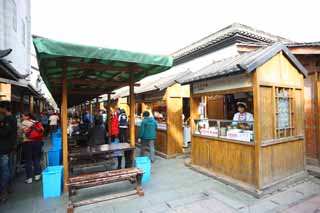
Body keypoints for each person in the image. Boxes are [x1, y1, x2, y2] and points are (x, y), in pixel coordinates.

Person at [0, 101, 17, 202]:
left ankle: (4, 191)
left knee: (5, 170)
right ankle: (8, 188)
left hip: (5, 148)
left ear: (4, 108)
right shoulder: (13, 118)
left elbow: (5, 133)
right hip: (10, 146)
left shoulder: (8, 119)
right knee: (8, 168)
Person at [20, 112, 43, 184]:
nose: (22, 117)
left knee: (28, 160)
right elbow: (42, 131)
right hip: (37, 142)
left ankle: (29, 178)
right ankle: (37, 175)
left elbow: (19, 134)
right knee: (36, 158)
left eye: (22, 116)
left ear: (26, 116)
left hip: (27, 143)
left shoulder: (23, 123)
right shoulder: (36, 122)